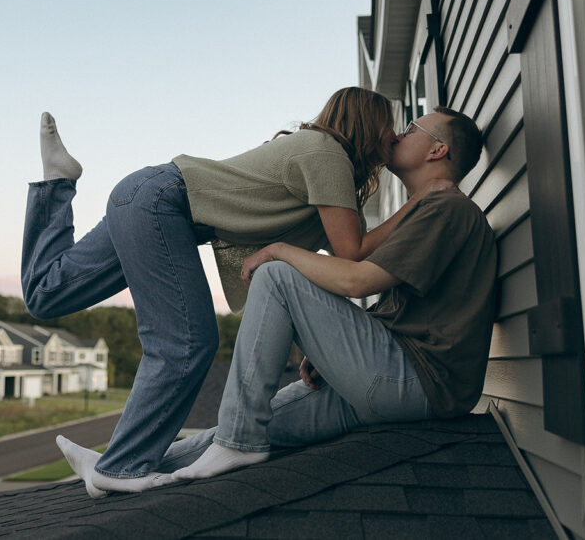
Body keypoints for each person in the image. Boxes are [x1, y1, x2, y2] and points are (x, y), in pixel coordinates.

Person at [56, 107, 496, 493]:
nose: (399, 134)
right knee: (257, 418)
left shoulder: (448, 209)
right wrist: (332, 352)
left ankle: (237, 444)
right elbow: (402, 305)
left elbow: (360, 279)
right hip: (390, 379)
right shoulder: (427, 209)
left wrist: (281, 250)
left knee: (278, 275)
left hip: (415, 383)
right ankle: (119, 465)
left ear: (437, 151)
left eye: (414, 127)